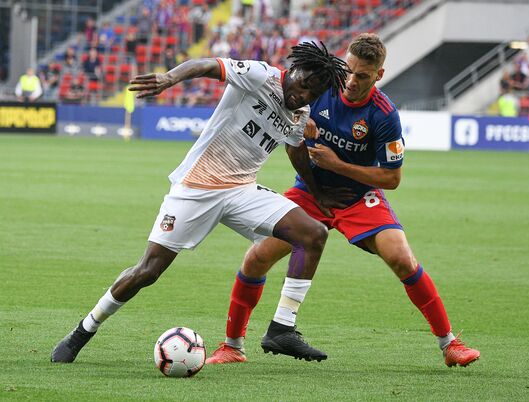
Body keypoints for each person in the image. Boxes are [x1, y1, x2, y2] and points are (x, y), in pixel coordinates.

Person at [50, 42, 349, 364]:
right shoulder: (262, 76)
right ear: (294, 71)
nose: (303, 95)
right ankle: (84, 330)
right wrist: (169, 78)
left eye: (312, 94)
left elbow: (295, 151)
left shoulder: (299, 113)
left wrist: (316, 192)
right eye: (303, 84)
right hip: (197, 187)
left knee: (313, 234)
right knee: (148, 271)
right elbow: (208, 64)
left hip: (241, 190)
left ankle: (282, 328)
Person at [206, 33, 481, 368]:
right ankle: (233, 346)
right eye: (348, 70)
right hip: (310, 193)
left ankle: (450, 344)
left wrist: (339, 165)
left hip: (356, 198)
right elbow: (287, 114)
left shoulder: (384, 115)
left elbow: (392, 178)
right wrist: (300, 127)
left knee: (402, 258)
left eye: (362, 75)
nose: (351, 81)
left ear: (378, 75)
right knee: (256, 258)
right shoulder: (322, 87)